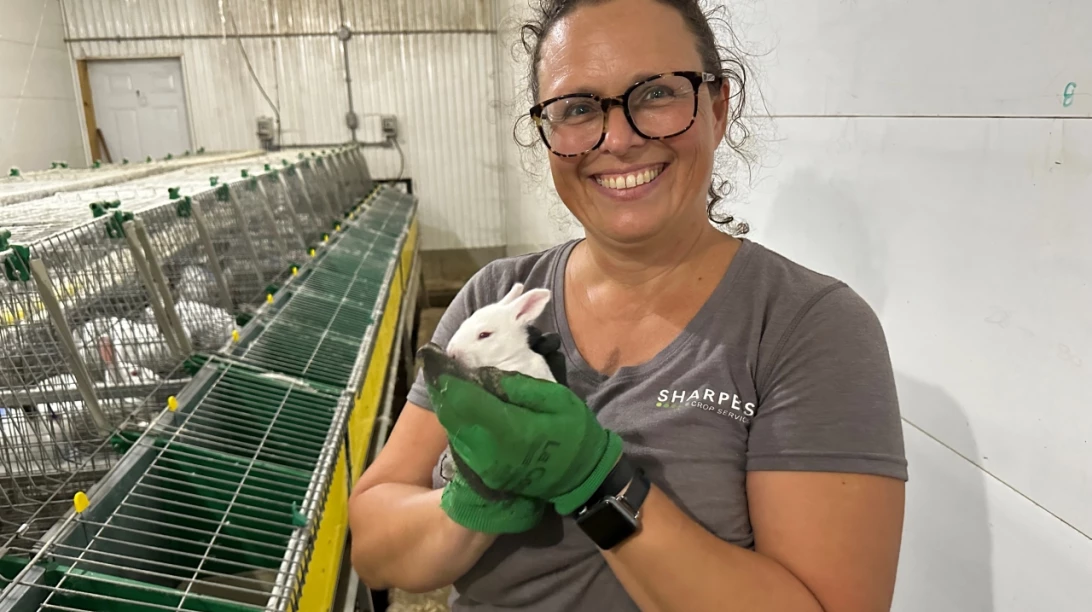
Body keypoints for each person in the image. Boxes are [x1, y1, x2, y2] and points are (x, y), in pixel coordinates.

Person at [348, 0, 908, 610]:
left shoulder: (805, 327)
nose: (617, 139)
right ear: (546, 133)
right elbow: (374, 545)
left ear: (717, 109)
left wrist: (596, 484)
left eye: (657, 94)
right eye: (578, 108)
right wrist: (478, 501)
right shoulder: (493, 299)